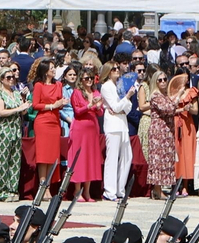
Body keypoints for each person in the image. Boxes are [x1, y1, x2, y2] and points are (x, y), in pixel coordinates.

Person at [67, 65, 103, 201]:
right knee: (80, 159)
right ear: (81, 80)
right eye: (86, 78)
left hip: (92, 129)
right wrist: (89, 105)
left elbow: (100, 113)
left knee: (90, 159)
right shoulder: (77, 92)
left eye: (91, 78)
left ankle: (87, 191)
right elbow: (77, 111)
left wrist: (98, 107)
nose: (89, 80)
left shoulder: (96, 92)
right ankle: (77, 191)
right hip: (80, 129)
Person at [141, 69, 177, 200]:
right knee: (158, 160)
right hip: (158, 131)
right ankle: (157, 189)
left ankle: (161, 187)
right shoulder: (155, 96)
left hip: (167, 131)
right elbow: (168, 109)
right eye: (159, 80)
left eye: (165, 79)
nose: (163, 82)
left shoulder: (165, 95)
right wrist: (178, 96)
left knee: (166, 158)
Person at [0, 64, 26, 201]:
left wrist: (25, 105)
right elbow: (1, 112)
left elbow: (23, 111)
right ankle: (2, 191)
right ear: (2, 79)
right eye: (8, 77)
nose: (11, 79)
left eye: (13, 77)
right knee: (3, 160)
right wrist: (18, 109)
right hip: (4, 129)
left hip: (16, 129)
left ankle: (13, 189)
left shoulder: (16, 93)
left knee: (15, 160)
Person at [30, 60, 64, 196]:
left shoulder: (58, 84)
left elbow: (59, 103)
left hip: (55, 121)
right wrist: (51, 106)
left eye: (54, 67)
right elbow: (35, 105)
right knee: (43, 156)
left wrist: (61, 103)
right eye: (51, 68)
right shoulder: (39, 85)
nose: (54, 70)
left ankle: (48, 187)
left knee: (52, 156)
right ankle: (42, 187)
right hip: (43, 122)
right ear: (45, 71)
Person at [100, 63, 133, 202]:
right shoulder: (106, 86)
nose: (116, 71)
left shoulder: (120, 85)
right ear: (108, 72)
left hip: (123, 124)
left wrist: (123, 103)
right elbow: (115, 106)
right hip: (113, 125)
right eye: (113, 69)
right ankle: (110, 191)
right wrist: (127, 98)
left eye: (117, 68)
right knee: (112, 158)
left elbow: (128, 108)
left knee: (127, 157)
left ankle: (120, 189)